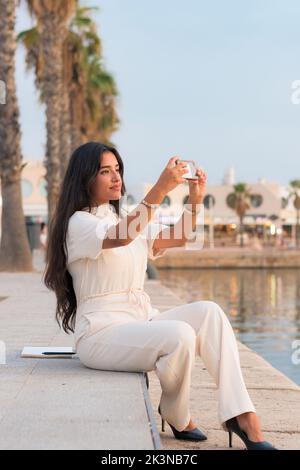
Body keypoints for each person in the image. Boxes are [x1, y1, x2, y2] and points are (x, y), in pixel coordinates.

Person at [44, 142, 277, 450]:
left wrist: (194, 201)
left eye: (117, 170)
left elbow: (178, 237)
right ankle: (178, 414)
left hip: (141, 319)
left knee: (209, 312)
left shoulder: (124, 217)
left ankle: (241, 414)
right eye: (105, 172)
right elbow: (122, 237)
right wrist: (160, 189)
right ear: (85, 178)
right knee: (178, 333)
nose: (116, 178)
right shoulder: (79, 224)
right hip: (101, 332)